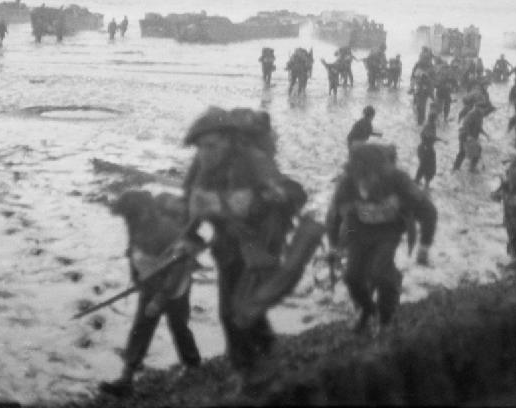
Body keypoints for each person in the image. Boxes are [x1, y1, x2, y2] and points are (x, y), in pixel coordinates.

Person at [182, 107, 309, 395]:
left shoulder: (254, 161)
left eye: (212, 145)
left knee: (233, 311)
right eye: (200, 146)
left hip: (260, 245)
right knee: (239, 307)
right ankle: (266, 350)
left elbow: (292, 194)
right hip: (227, 246)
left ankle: (249, 372)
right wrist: (188, 236)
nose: (205, 152)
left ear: (229, 140)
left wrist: (259, 201)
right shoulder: (201, 165)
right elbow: (190, 202)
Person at [326, 143, 437, 335]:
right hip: (357, 230)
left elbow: (428, 211)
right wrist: (334, 245)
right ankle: (367, 310)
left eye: (369, 176)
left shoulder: (398, 180)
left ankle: (386, 318)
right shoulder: (347, 182)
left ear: (379, 171)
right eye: (360, 177)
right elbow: (335, 215)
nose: (365, 183)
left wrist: (424, 245)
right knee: (352, 277)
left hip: (388, 231)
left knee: (379, 273)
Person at [99, 190, 203, 397]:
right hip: (150, 283)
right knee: (141, 328)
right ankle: (126, 380)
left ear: (146, 211)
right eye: (127, 216)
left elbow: (179, 267)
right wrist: (137, 277)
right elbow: (134, 251)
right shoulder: (135, 223)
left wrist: (161, 297)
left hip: (174, 287)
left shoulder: (167, 231)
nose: (129, 220)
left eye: (132, 215)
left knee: (179, 326)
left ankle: (194, 368)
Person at [452, 105, 489, 172]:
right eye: (482, 108)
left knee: (478, 150)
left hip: (472, 137)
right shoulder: (471, 114)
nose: (483, 110)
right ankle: (455, 168)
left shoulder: (480, 116)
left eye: (484, 109)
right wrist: (468, 136)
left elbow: (479, 127)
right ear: (477, 107)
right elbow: (465, 124)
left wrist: (485, 134)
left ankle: (471, 167)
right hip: (465, 135)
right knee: (462, 152)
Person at [415, 110, 444, 188]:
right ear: (434, 119)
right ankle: (421, 182)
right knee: (426, 166)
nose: (438, 120)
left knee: (426, 166)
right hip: (425, 149)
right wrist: (440, 139)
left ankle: (421, 182)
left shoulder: (431, 125)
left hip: (426, 148)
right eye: (437, 118)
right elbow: (428, 135)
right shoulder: (429, 125)